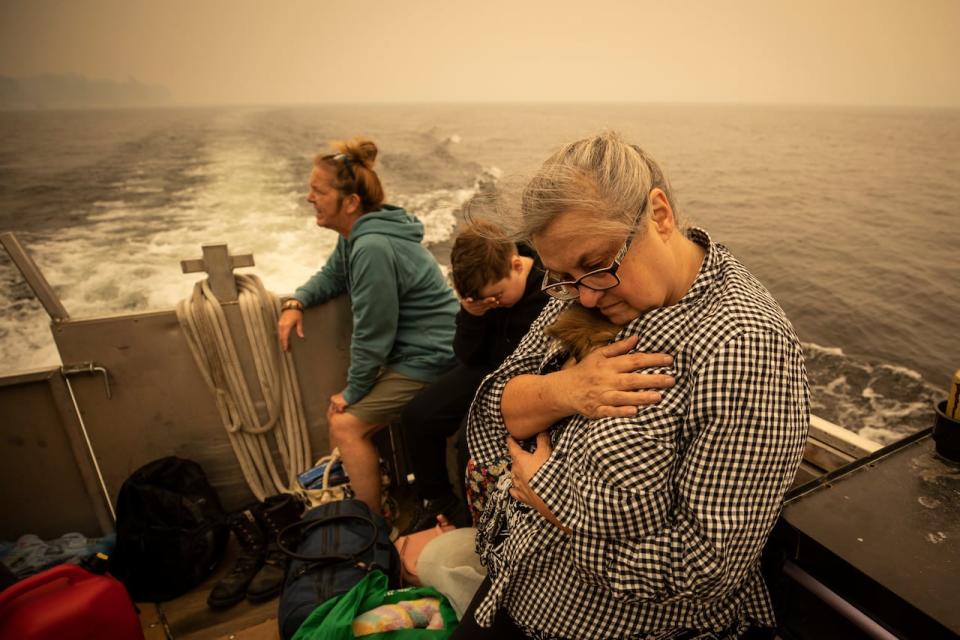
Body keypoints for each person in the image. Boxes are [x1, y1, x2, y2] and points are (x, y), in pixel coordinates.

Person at [455, 132, 809, 639]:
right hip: (513, 582)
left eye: (597, 265)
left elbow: (703, 570)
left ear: (659, 215)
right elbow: (493, 413)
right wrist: (565, 390)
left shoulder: (743, 347)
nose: (586, 298)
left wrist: (554, 500)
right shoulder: (580, 289)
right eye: (562, 276)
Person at [278, 137, 459, 515]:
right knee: (344, 417)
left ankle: (371, 527)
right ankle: (376, 503)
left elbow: (374, 332)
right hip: (411, 353)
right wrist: (297, 301)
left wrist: (354, 391)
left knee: (345, 424)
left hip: (432, 357)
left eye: (318, 190)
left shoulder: (372, 247)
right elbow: (332, 276)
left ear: (350, 203)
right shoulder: (358, 236)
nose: (310, 198)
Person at [398, 220, 548, 534]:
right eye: (482, 301)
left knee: (472, 442)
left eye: (497, 297)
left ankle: (475, 524)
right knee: (418, 416)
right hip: (485, 368)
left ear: (516, 265)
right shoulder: (482, 297)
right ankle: (438, 502)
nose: (493, 304)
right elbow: (467, 355)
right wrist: (473, 315)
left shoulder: (548, 287)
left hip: (526, 378)